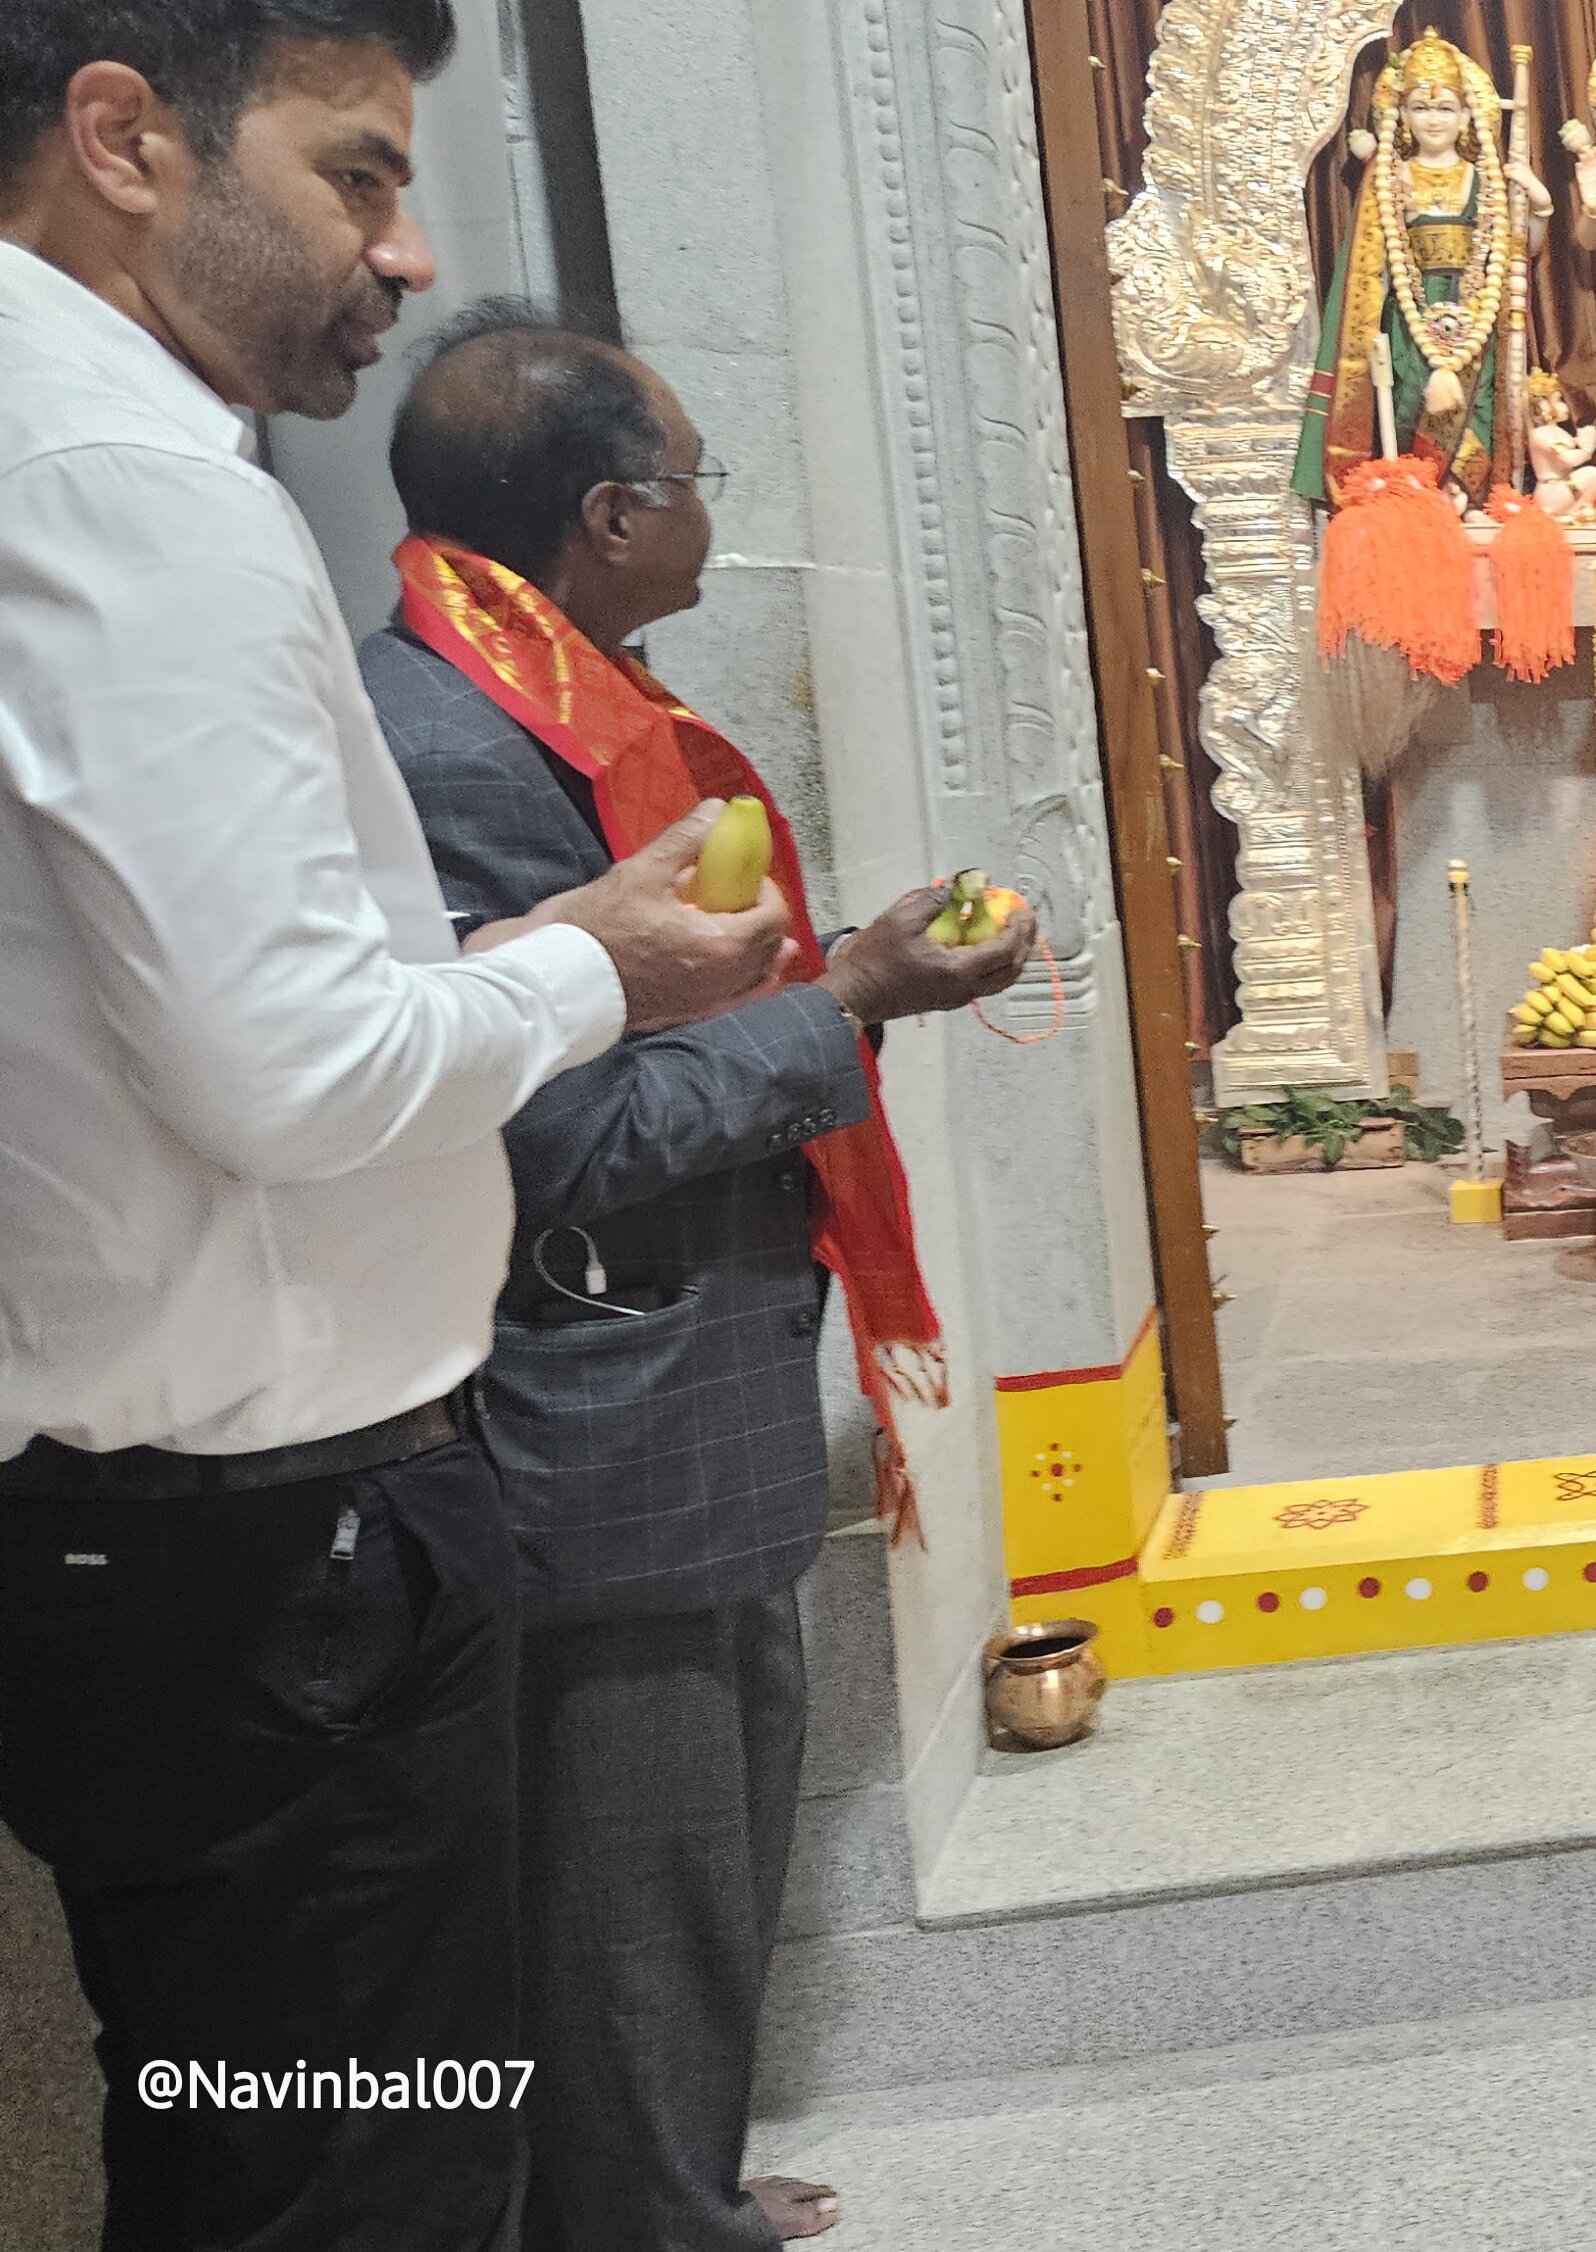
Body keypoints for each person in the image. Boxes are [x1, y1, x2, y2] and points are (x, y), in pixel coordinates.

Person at [0, 6, 791, 2245]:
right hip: (273, 1559)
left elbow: (206, 994)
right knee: (370, 2175)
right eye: (353, 170)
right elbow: (291, 1072)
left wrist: (522, 954)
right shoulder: (132, 488)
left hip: (168, 1534)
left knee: (254, 2143)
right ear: (127, 138)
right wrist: (601, 971)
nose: (408, 249)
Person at [364, 306, 1030, 2251]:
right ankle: (647, 2220)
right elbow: (548, 1136)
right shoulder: (455, 744)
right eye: (693, 478)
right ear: (608, 513)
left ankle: (666, 2184)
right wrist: (854, 996)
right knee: (632, 1862)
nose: (707, 512)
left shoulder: (560, 699)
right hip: (601, 1404)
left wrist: (848, 985)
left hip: (676, 1382)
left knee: (689, 1844)